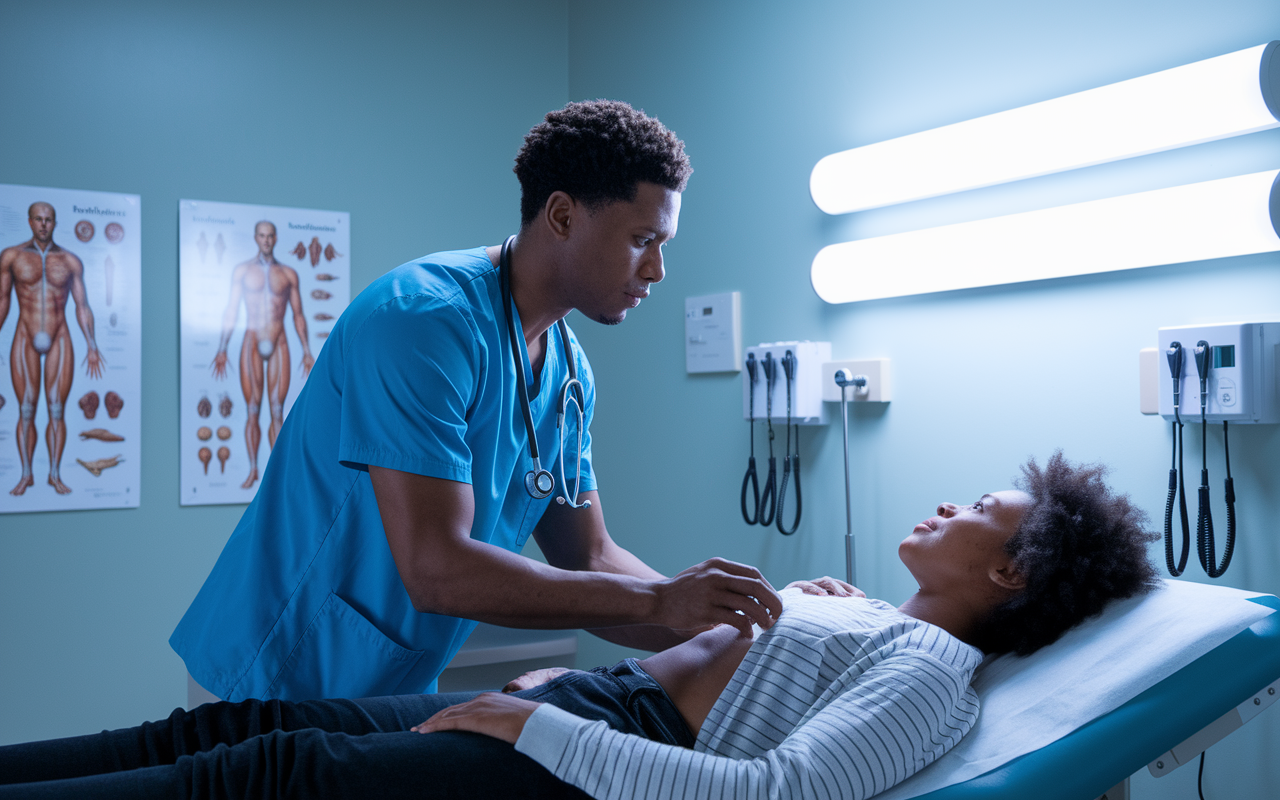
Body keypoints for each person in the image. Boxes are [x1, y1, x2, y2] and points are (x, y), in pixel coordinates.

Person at [1, 453, 1160, 799]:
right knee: (237, 725)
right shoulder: (860, 606)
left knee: (271, 773)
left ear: (1010, 570)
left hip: (597, 761)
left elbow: (781, 798)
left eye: (979, 511)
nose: (948, 500)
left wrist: (535, 726)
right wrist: (568, 682)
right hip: (587, 704)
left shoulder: (932, 671)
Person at [171, 100, 784, 705]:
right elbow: (437, 566)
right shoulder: (421, 322)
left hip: (388, 685)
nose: (656, 270)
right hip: (270, 671)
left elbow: (589, 554)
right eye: (643, 239)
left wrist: (748, 627)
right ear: (564, 216)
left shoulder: (569, 374)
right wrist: (662, 602)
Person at [0, 202, 104, 497]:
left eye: (49, 220)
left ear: (55, 223)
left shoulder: (71, 261)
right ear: (30, 221)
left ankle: (55, 475)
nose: (44, 224)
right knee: (26, 409)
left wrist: (92, 345)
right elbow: (3, 300)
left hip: (59, 336)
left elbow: (83, 306)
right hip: (25, 335)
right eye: (39, 219)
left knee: (57, 410)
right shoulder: (12, 256)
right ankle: (26, 475)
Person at [209, 220, 314, 489]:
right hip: (251, 341)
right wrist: (222, 347)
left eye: (270, 236)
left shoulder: (289, 274)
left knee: (277, 411)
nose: (266, 240)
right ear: (256, 238)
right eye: (262, 235)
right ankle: (254, 469)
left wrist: (306, 351)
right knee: (253, 409)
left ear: (275, 238)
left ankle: (275, 473)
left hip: (279, 341)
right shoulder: (242, 271)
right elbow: (231, 310)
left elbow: (298, 314)